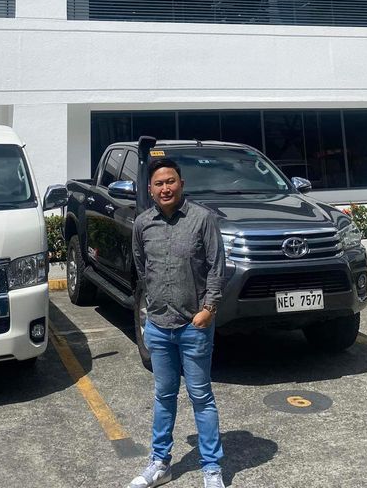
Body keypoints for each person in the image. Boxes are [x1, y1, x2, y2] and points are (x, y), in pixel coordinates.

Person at [127, 157, 226, 488]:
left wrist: (208, 308)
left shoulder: (202, 219)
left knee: (201, 397)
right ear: (151, 189)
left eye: (170, 181)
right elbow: (142, 267)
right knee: (163, 395)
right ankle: (160, 463)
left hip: (194, 325)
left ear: (181, 184)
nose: (165, 188)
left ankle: (211, 467)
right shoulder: (143, 224)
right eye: (159, 184)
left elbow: (216, 266)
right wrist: (155, 305)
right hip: (158, 325)